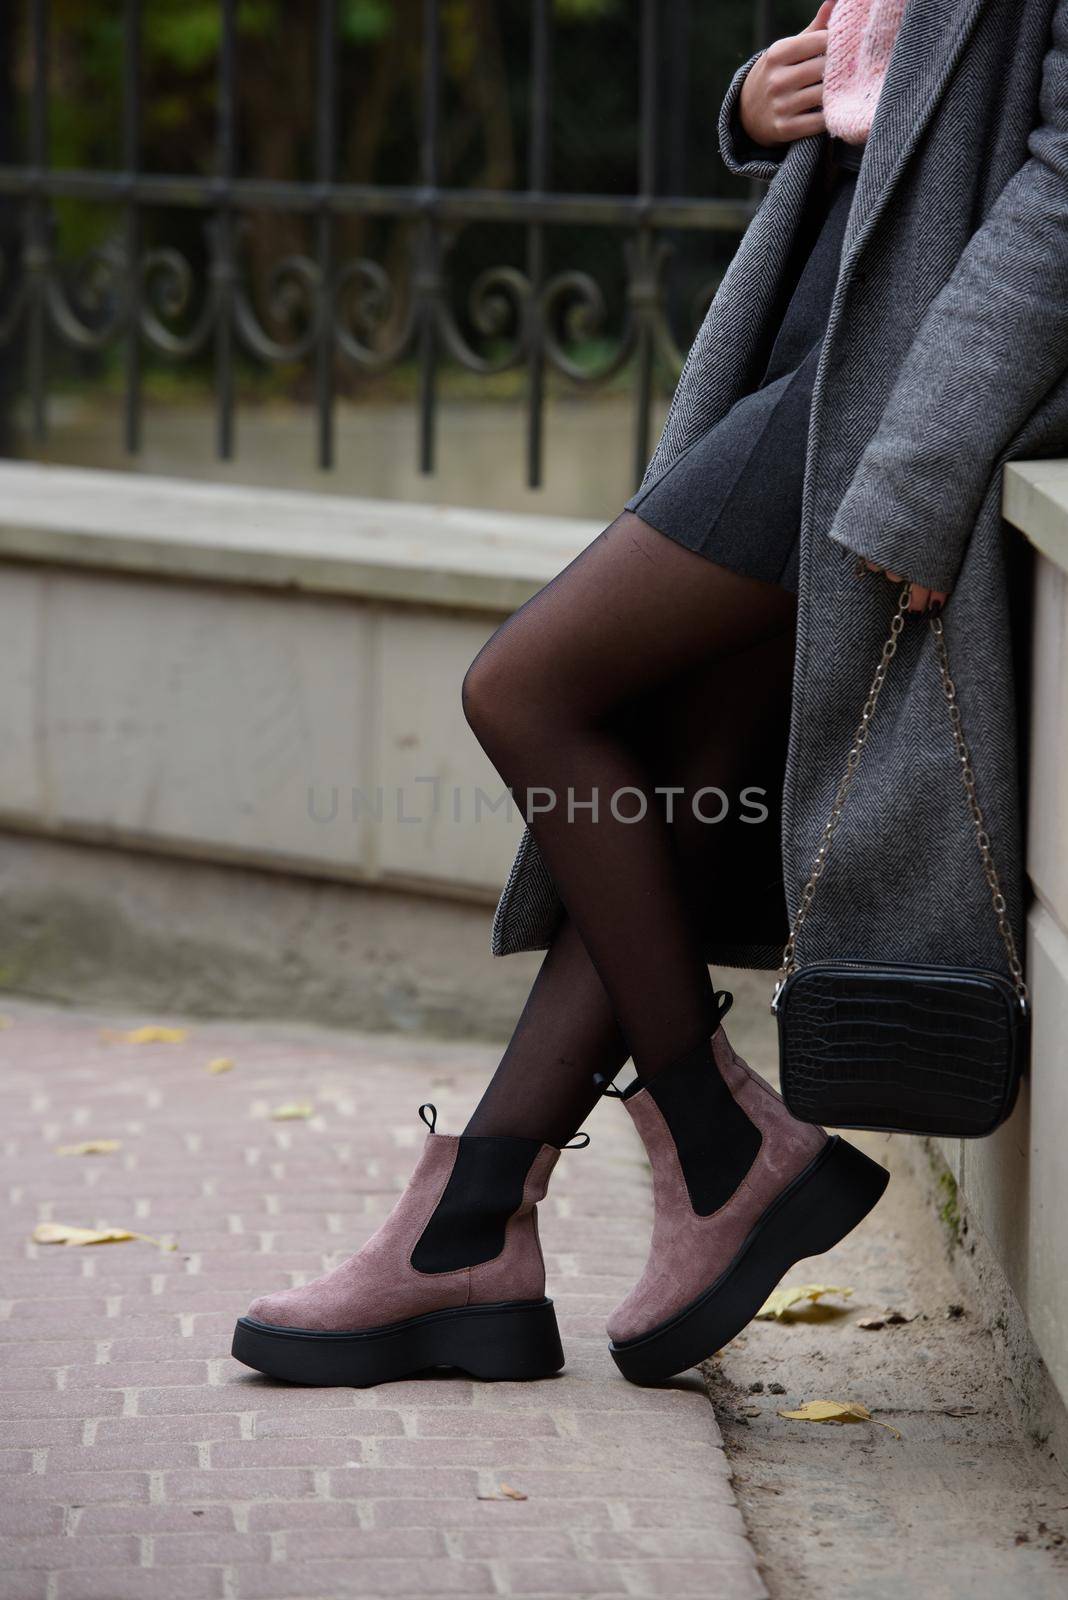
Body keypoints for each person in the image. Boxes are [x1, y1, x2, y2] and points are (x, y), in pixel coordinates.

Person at [233, 0, 1068, 1388]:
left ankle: (707, 1147)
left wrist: (925, 459)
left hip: (908, 359)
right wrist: (758, 96)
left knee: (532, 688)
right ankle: (478, 1223)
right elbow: (884, 63)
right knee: (673, 781)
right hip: (829, 300)